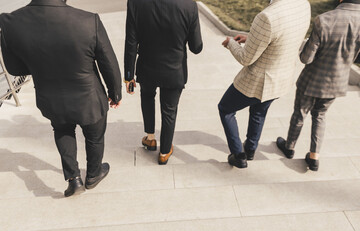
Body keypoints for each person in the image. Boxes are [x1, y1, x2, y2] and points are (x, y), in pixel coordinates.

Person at [0, 0, 122, 197]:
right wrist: (115, 92)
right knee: (94, 135)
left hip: (51, 96)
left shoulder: (10, 21)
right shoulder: (89, 20)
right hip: (89, 97)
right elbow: (108, 62)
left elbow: (15, 69)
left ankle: (73, 179)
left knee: (62, 129)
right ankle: (93, 174)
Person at [219, 0, 311, 168]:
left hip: (258, 81)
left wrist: (231, 43)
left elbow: (245, 58)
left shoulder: (267, 16)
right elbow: (283, 37)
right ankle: (251, 149)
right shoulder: (303, 3)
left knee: (225, 109)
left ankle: (239, 155)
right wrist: (252, 39)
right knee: (259, 112)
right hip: (281, 79)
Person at [276, 0, 360, 171]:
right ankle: (314, 156)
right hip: (338, 80)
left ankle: (289, 147)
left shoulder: (324, 19)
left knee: (300, 113)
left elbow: (306, 58)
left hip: (312, 79)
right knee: (320, 115)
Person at [124, 0, 203, 165]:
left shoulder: (135, 3)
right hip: (175, 71)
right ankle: (165, 151)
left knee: (147, 96)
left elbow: (131, 42)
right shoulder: (189, 5)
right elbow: (196, 47)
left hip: (147, 67)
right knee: (169, 110)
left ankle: (150, 138)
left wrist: (129, 75)